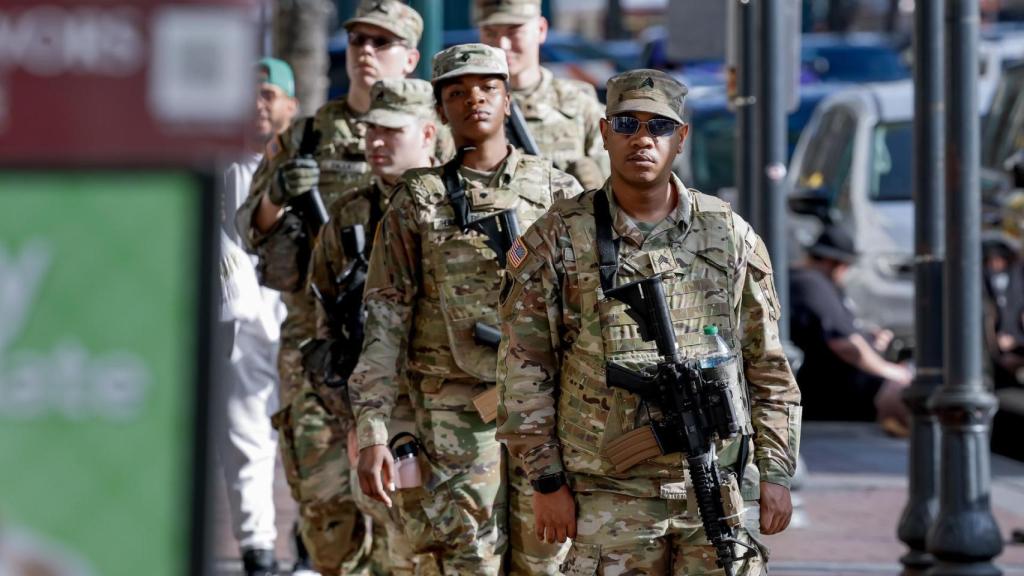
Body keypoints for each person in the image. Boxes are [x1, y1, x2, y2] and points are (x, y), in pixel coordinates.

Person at [496, 69, 801, 575]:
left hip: (715, 487)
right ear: (604, 133)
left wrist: (775, 471)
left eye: (659, 126)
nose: (642, 138)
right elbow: (526, 366)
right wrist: (546, 481)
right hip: (609, 494)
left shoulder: (728, 234)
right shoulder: (559, 236)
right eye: (627, 123)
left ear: (681, 137)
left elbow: (767, 364)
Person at [349, 43, 583, 575]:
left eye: (487, 89)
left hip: (543, 409)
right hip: (453, 412)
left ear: (508, 101)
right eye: (457, 92)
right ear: (440, 110)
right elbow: (384, 319)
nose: (473, 100)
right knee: (467, 558)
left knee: (548, 558)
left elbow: (589, 314)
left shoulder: (557, 191)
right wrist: (373, 430)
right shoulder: (418, 200)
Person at [234, 2, 442, 574]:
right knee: (326, 515)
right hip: (319, 353)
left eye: (381, 42)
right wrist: (277, 195)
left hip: (408, 359)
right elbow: (249, 229)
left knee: (408, 517)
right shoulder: (307, 134)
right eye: (357, 41)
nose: (366, 52)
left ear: (410, 57)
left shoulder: (434, 137)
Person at [306, 78, 443, 575]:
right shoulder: (350, 216)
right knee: (397, 544)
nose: (377, 142)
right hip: (386, 412)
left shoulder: (457, 205)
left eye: (392, 131)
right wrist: (357, 421)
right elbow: (327, 327)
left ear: (427, 133)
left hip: (459, 407)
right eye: (371, 131)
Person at [219, 57, 295, 576]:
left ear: (291, 103)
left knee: (313, 440)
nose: (257, 104)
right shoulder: (219, 162)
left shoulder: (309, 164)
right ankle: (258, 551)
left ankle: (311, 544)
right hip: (245, 319)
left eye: (268, 94)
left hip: (303, 319)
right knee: (246, 436)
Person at [477, 0, 608, 191]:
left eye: (514, 31)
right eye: (490, 32)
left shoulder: (579, 104)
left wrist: (594, 183)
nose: (502, 44)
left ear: (541, 29)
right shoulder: (466, 107)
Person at [789, 225, 912, 427]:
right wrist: (891, 372)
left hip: (841, 389)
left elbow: (842, 331)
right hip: (836, 393)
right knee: (907, 390)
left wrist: (869, 338)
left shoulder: (814, 283)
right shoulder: (810, 283)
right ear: (835, 263)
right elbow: (845, 345)